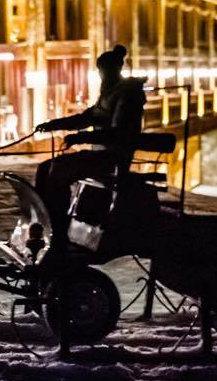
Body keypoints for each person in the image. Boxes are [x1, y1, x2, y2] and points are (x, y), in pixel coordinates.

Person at [33, 45, 146, 247]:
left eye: (105, 71)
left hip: (113, 157)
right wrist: (52, 125)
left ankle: (59, 231)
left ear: (116, 69)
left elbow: (119, 132)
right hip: (99, 154)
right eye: (101, 72)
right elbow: (86, 118)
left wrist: (81, 138)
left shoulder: (127, 94)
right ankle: (47, 226)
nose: (103, 76)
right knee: (43, 169)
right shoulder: (109, 93)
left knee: (57, 171)